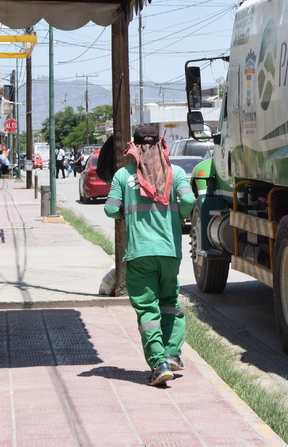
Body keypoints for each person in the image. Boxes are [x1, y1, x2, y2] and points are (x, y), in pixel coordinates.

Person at [103, 125, 195, 386]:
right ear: (160, 144)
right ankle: (172, 352)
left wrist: (127, 215)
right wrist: (175, 215)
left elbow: (110, 210)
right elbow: (188, 203)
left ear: (135, 146)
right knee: (169, 302)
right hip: (169, 252)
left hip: (139, 254)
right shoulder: (175, 173)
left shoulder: (123, 175)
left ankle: (159, 363)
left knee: (147, 311)